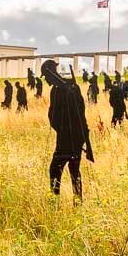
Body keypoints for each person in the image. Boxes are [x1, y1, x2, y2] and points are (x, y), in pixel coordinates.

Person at [43, 60, 92, 201]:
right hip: (77, 137)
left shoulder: (58, 90)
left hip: (65, 138)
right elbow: (82, 112)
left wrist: (59, 129)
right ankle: (78, 202)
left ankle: (54, 201)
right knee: (75, 171)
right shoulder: (74, 87)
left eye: (46, 75)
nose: (46, 79)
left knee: (54, 170)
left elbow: (53, 116)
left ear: (50, 73)